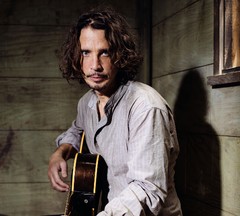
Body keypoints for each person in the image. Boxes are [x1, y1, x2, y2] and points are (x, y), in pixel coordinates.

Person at [48, 7, 182, 216]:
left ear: (120, 54)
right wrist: (61, 152)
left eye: (105, 52)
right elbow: (78, 130)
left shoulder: (145, 106)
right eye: (86, 53)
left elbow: (148, 191)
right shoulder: (87, 103)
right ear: (77, 57)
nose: (95, 65)